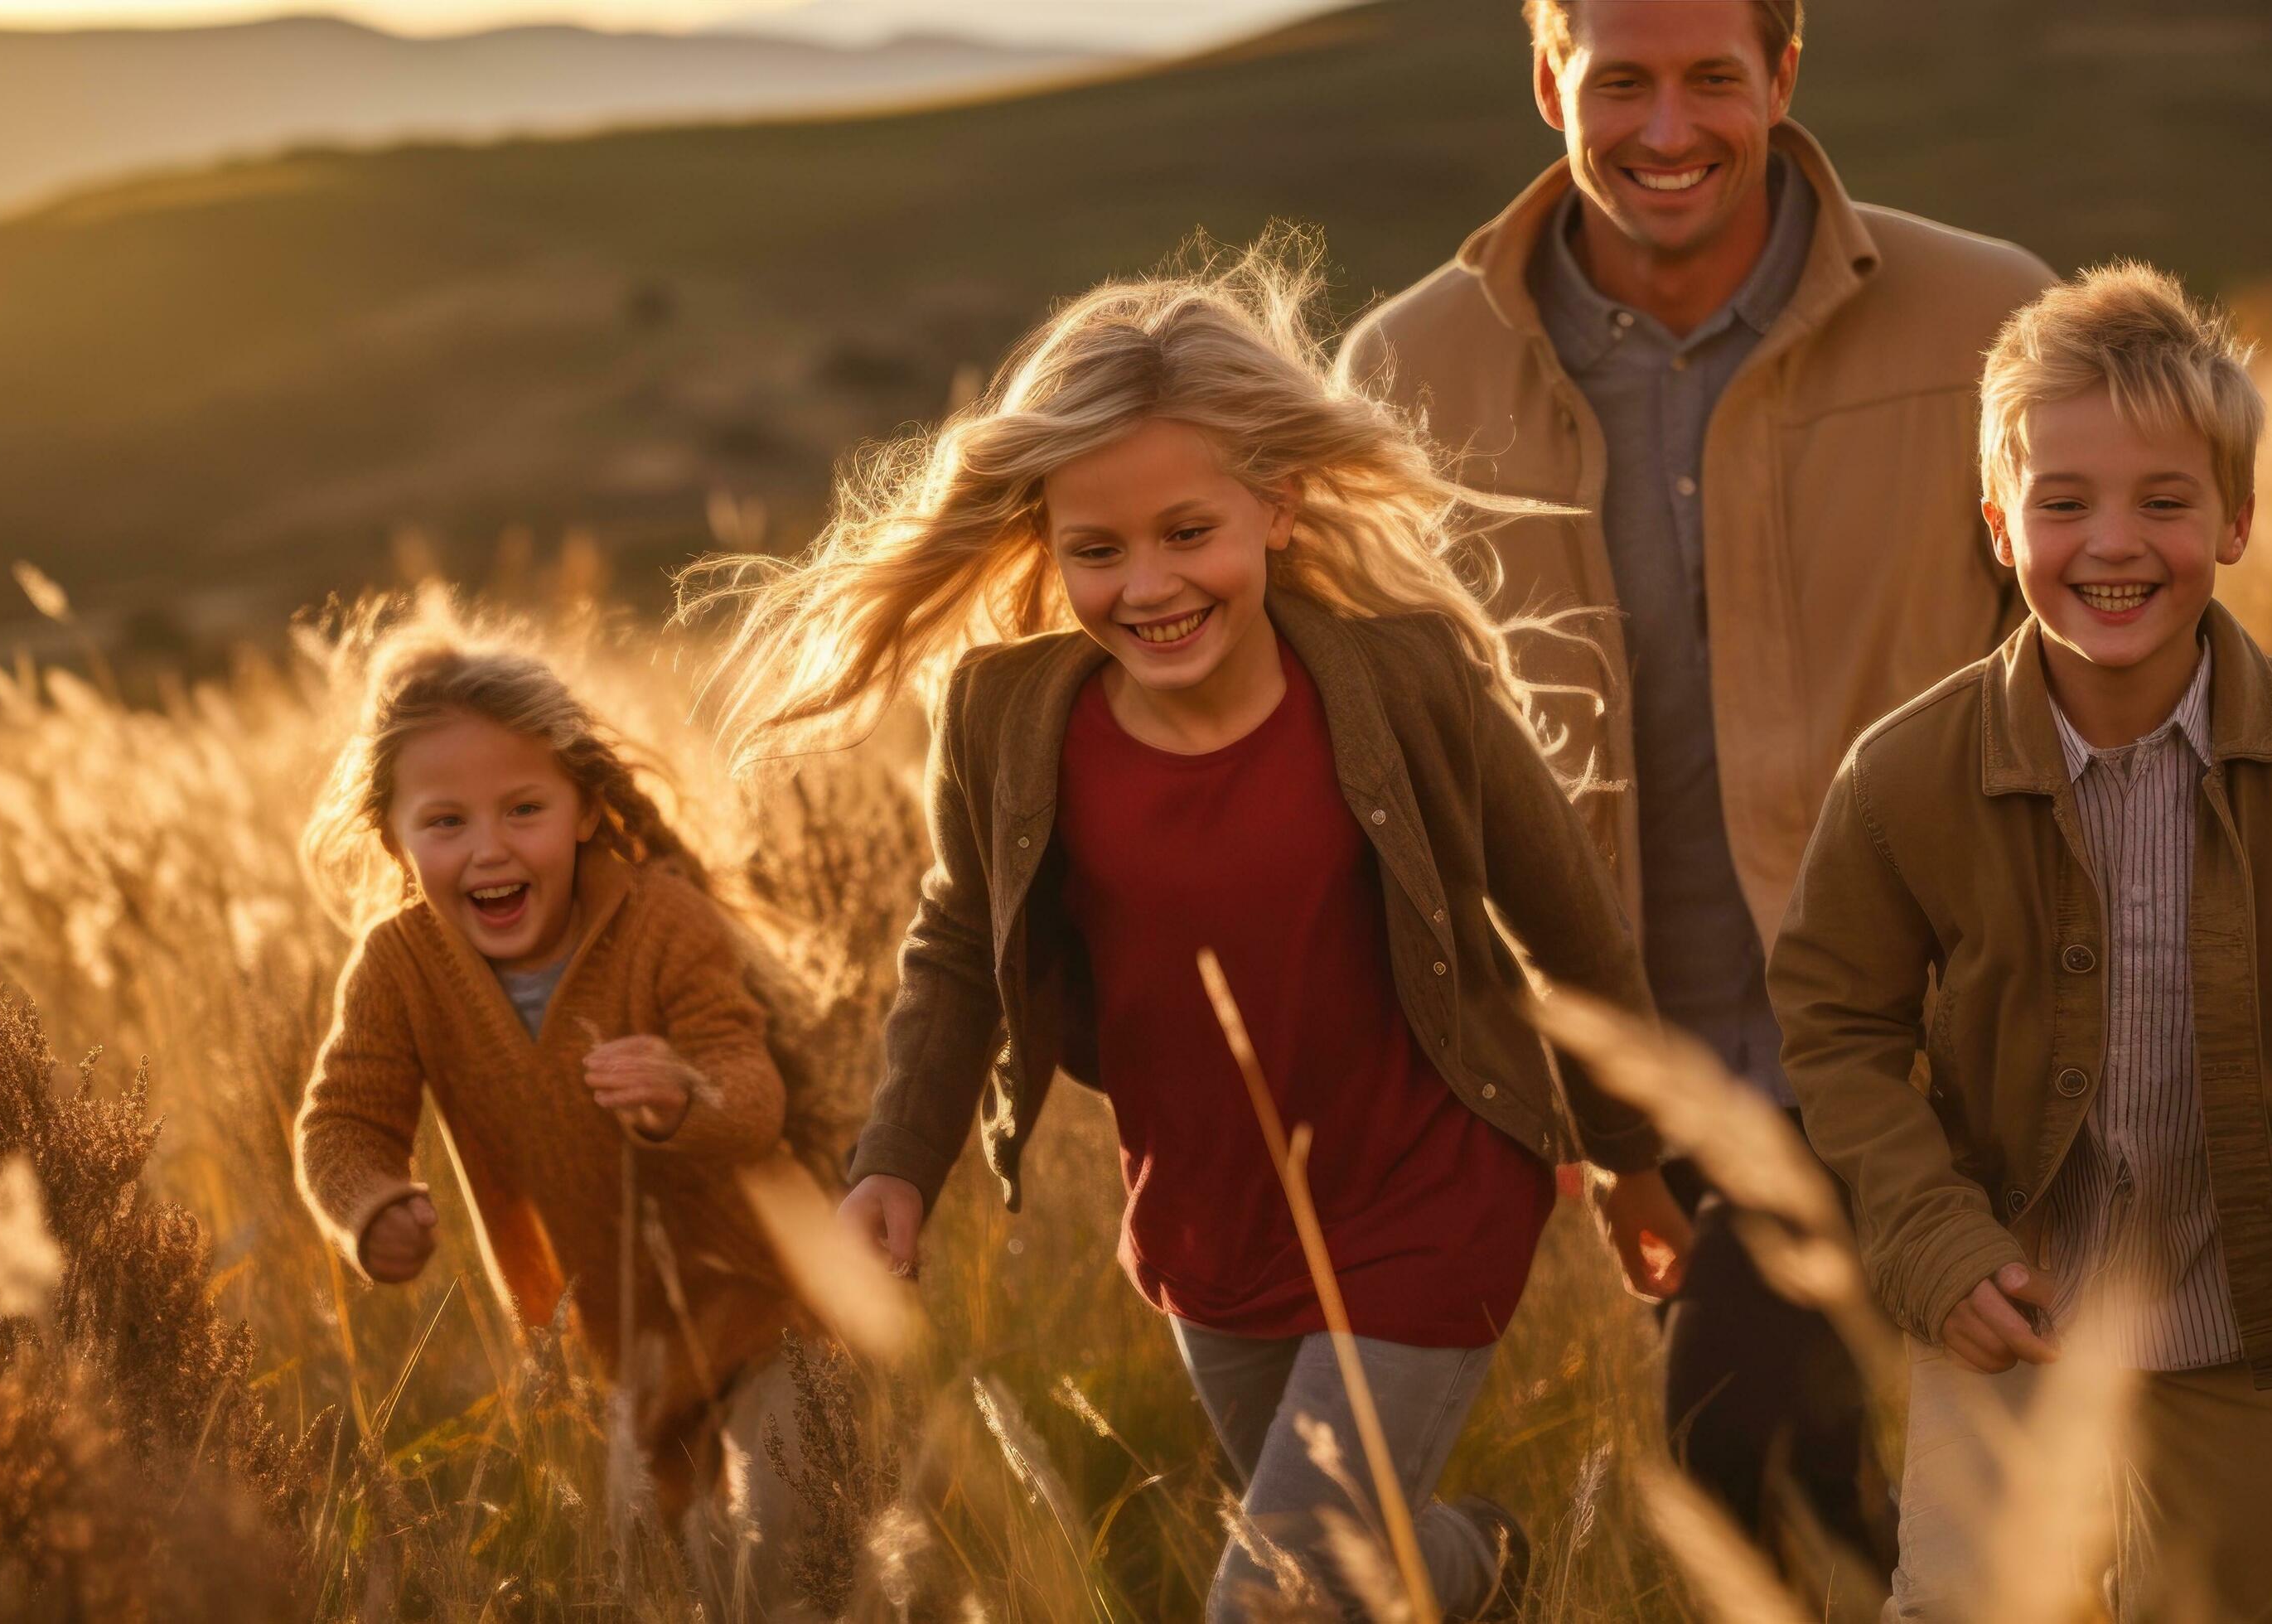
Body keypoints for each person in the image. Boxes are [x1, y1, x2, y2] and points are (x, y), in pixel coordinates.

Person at [699, 243, 1692, 1622]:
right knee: (1366, 1575)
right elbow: (951, 946)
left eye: (1186, 533)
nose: (1146, 587)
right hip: (1206, 1226)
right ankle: (1487, 1572)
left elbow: (1566, 931)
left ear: (1274, 505)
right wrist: (896, 1164)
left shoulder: (1408, 685)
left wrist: (1633, 1157)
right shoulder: (1007, 720)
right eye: (1093, 551)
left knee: (1271, 1603)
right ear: (1044, 545)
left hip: (1429, 1195)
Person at [1337, 0, 2056, 1575]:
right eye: (1621, 83)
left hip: (1919, 1026)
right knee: (1794, 1476)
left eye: (1711, 80)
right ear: (1545, 81)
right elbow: (1377, 752)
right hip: (1646, 1064)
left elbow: (2108, 660)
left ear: (1783, 77)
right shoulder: (1399, 373)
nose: (1667, 133)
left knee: (1769, 1457)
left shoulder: (1987, 321)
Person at [1768, 263, 2272, 1621]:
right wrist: (1930, 1239)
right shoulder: (1906, 778)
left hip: (2237, 1316)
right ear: (1994, 521)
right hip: (2001, 1312)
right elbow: (1834, 1027)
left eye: (2162, 500)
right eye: (2061, 502)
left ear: (2236, 518)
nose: (2111, 544)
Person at [292, 616, 829, 1617]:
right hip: (609, 1348)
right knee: (652, 1582)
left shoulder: (661, 921)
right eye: (445, 822)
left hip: (766, 1309)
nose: (489, 848)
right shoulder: (401, 969)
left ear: (583, 808)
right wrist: (369, 1207)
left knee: (778, 1565)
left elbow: (747, 1088)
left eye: (523, 809)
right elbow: (343, 1125)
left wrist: (684, 1095)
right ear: (395, 842)